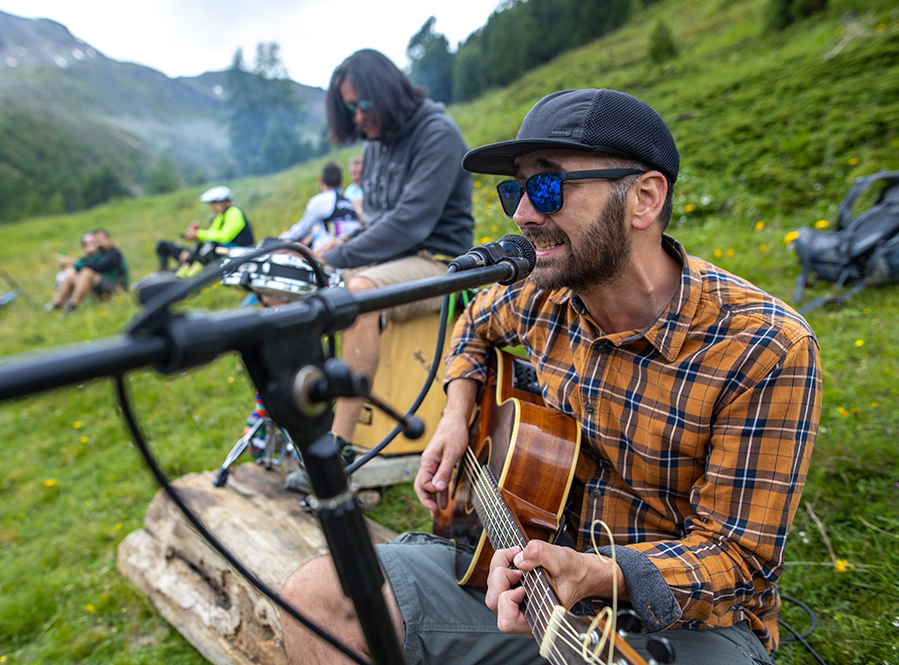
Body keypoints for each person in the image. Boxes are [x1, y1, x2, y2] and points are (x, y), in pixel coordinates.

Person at [280, 89, 823, 665]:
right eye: (514, 190)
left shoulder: (764, 347)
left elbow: (738, 557)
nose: (521, 215)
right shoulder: (542, 294)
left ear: (643, 198)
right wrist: (458, 415)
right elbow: (471, 325)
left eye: (547, 186)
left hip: (689, 623)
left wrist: (596, 573)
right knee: (316, 597)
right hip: (528, 582)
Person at [314, 48, 475, 448]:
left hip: (439, 264)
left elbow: (409, 223)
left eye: (364, 104)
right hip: (391, 260)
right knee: (294, 285)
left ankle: (339, 448)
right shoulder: (374, 142)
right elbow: (379, 219)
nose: (358, 117)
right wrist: (344, 243)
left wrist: (338, 254)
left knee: (360, 295)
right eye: (350, 108)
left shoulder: (438, 133)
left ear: (388, 92)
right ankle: (303, 421)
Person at [155, 185, 254, 275]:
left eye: (215, 203)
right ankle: (178, 268)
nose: (212, 206)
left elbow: (224, 237)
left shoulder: (234, 213)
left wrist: (199, 234)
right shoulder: (219, 217)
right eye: (211, 203)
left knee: (211, 244)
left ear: (226, 202)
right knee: (163, 244)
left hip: (240, 251)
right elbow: (211, 234)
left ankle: (188, 270)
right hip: (223, 251)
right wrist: (194, 235)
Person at [279, 161, 362, 251]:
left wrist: (279, 239)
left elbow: (301, 230)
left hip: (331, 252)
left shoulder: (320, 200)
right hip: (356, 246)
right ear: (341, 182)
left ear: (321, 181)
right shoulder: (348, 202)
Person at [48, 228, 126, 315]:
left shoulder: (113, 253)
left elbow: (99, 267)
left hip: (116, 288)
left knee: (86, 272)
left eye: (100, 240)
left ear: (108, 238)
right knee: (71, 275)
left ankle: (73, 305)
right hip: (100, 286)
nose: (99, 243)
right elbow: (79, 267)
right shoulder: (96, 254)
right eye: (96, 241)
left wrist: (74, 263)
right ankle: (57, 303)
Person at [343, 154, 364, 220]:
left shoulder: (373, 187)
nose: (357, 177)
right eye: (354, 173)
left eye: (360, 173)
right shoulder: (349, 191)